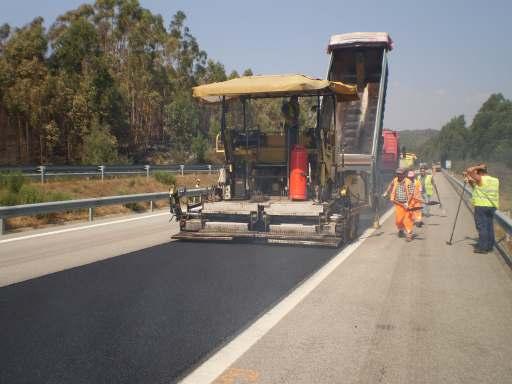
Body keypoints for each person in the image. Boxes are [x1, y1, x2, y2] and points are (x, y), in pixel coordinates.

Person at [464, 163, 500, 253]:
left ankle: (482, 248)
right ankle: (489, 246)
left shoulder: (481, 179)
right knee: (489, 226)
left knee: (482, 227)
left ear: (480, 172)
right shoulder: (495, 180)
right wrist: (470, 181)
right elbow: (478, 188)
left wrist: (478, 167)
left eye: (476, 172)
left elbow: (469, 170)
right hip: (492, 206)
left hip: (481, 206)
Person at [389, 168, 415, 241]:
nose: (399, 175)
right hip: (398, 204)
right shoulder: (395, 180)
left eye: (401, 174)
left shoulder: (408, 182)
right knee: (399, 220)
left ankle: (409, 234)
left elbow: (411, 193)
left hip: (408, 204)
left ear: (404, 174)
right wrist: (388, 193)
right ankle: (401, 229)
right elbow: (391, 185)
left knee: (407, 220)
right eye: (398, 174)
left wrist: (407, 202)